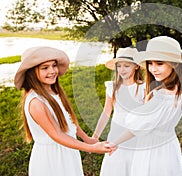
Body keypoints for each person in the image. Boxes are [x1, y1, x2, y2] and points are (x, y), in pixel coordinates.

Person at [14, 46, 112, 176]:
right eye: (45, 68)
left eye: (54, 65)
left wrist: (86, 138)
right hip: (52, 158)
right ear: (32, 72)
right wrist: (91, 148)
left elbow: (68, 120)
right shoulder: (36, 102)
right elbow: (57, 135)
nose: (52, 71)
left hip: (67, 151)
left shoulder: (53, 91)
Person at [107, 36, 182, 176]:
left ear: (175, 64)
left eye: (159, 63)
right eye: (150, 63)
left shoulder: (161, 96)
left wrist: (114, 142)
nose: (153, 69)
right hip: (169, 147)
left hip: (153, 151)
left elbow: (136, 127)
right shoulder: (179, 89)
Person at [92, 47, 145, 176]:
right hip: (117, 131)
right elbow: (106, 112)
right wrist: (95, 135)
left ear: (136, 66)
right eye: (119, 66)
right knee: (116, 164)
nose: (122, 70)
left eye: (126, 66)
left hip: (136, 133)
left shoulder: (143, 88)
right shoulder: (113, 87)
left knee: (135, 165)